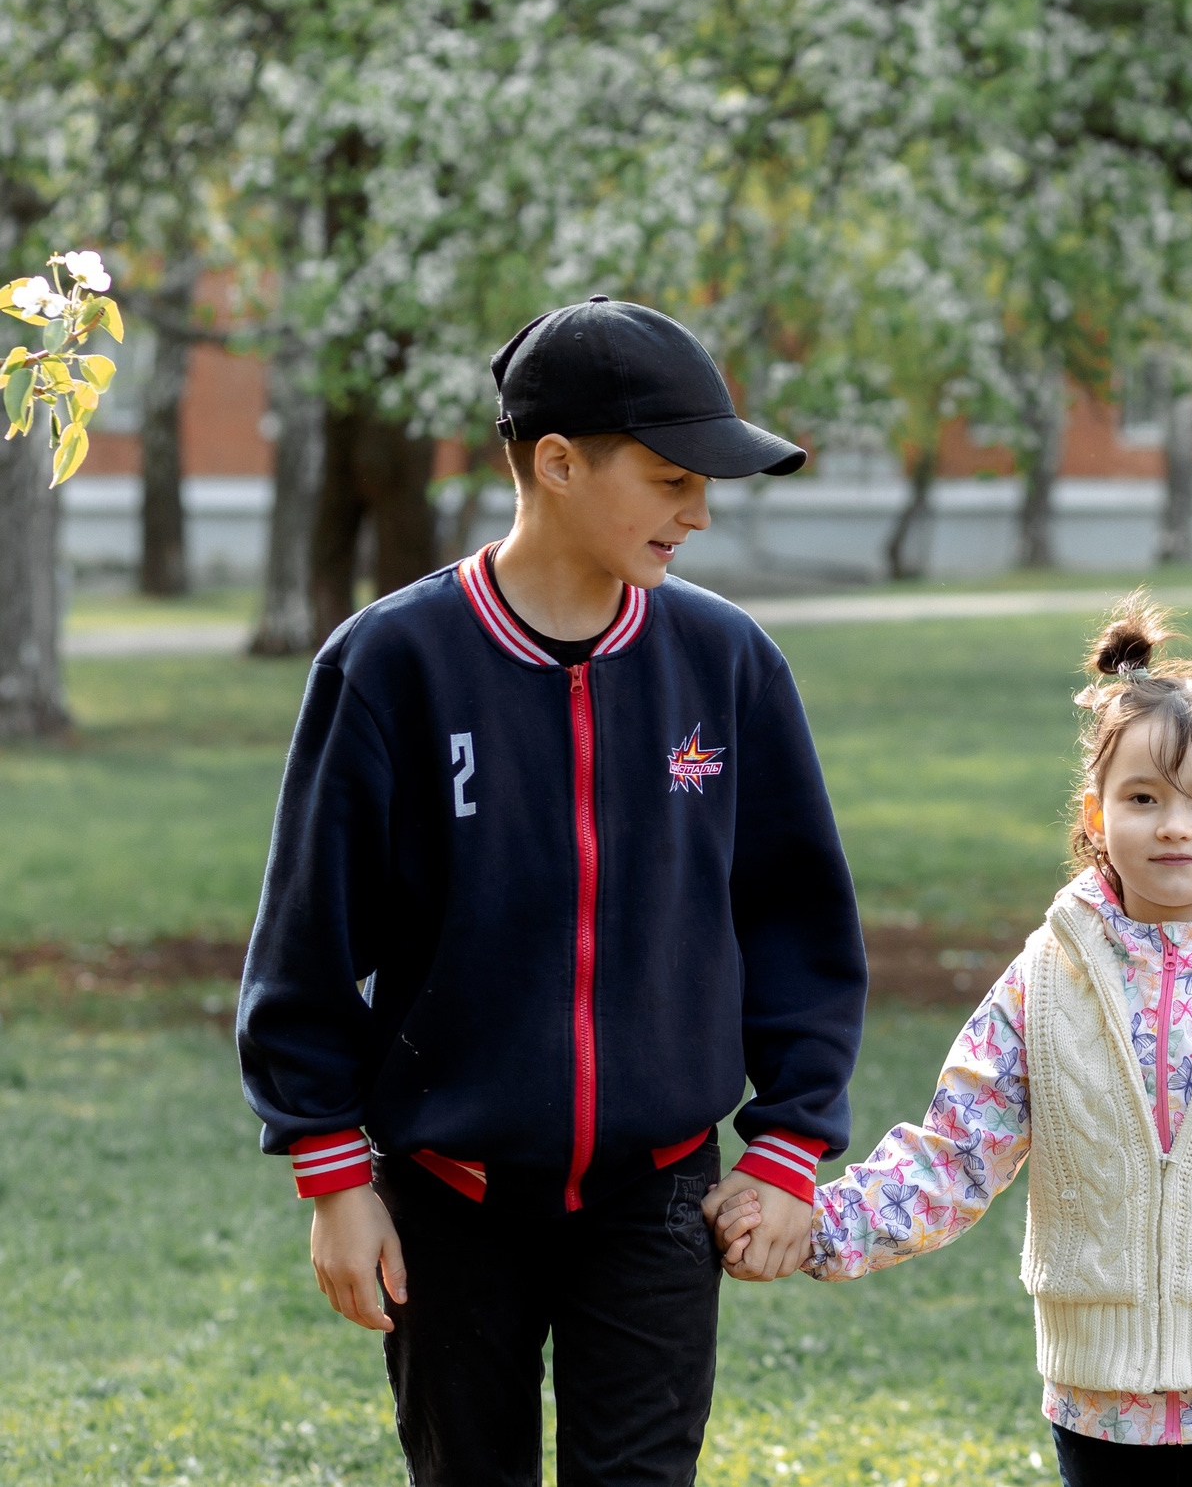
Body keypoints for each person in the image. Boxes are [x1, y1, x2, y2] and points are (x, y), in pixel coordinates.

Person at [236, 297, 868, 1487]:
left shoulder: (726, 661)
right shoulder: (390, 664)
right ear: (559, 463)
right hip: (448, 1200)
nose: (701, 508)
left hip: (659, 1193)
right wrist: (332, 1177)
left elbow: (795, 919)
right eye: (674, 475)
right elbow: (308, 940)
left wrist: (787, 1143)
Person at [709, 600, 1192, 1487]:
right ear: (1096, 815)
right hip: (1100, 1388)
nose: (1175, 824)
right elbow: (956, 1151)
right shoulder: (1046, 977)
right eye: (1144, 799)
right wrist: (818, 1225)